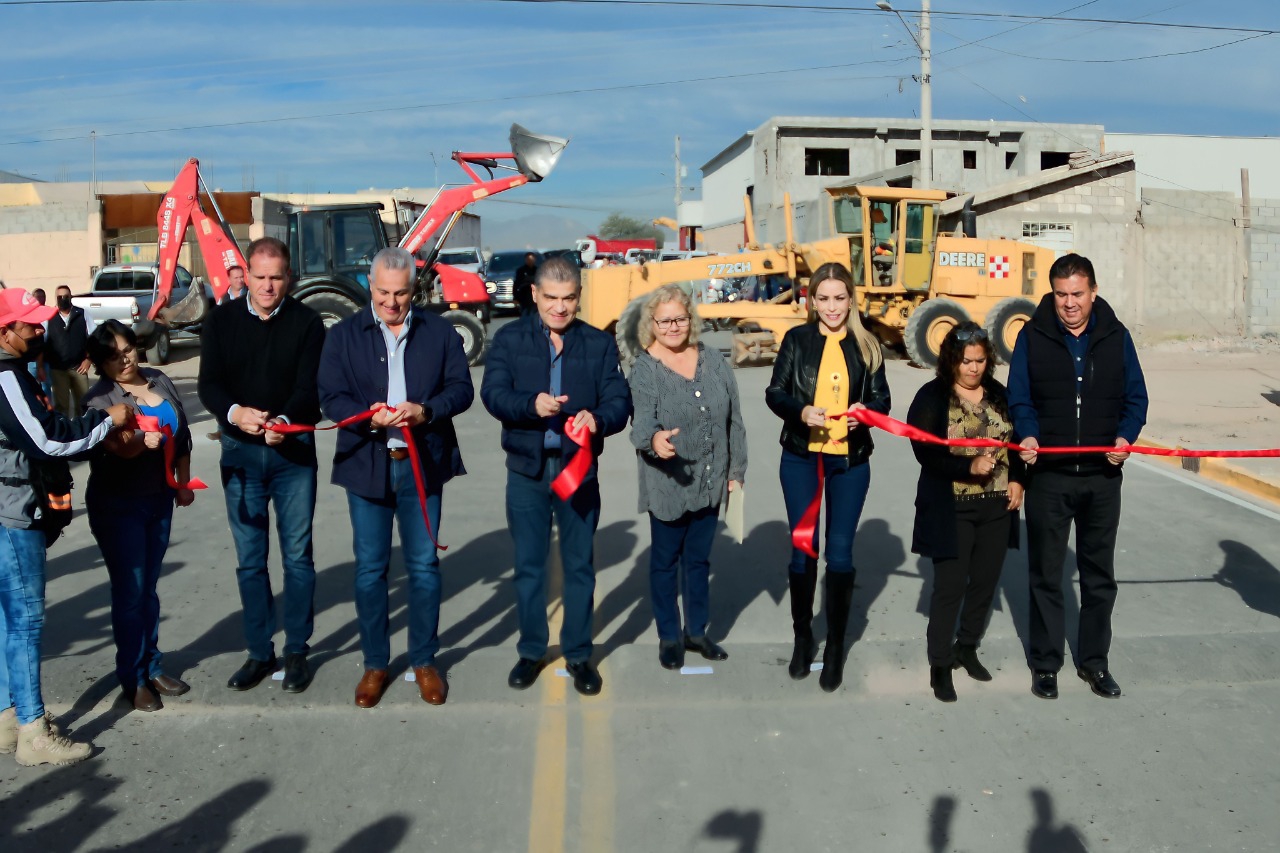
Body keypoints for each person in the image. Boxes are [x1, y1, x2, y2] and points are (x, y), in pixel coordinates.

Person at [318, 248, 474, 709]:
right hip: (367, 464)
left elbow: (461, 389)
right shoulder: (344, 335)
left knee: (424, 567)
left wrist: (425, 411)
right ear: (370, 285)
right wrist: (368, 418)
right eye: (383, 292)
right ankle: (375, 664)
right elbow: (330, 396)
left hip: (422, 464)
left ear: (414, 288)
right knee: (370, 570)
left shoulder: (440, 332)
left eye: (401, 292)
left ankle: (425, 660)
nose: (391, 302)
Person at [480, 256, 632, 696]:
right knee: (529, 567)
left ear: (579, 297)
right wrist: (532, 405)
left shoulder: (598, 344)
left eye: (568, 299)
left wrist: (597, 419)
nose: (560, 308)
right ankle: (531, 651)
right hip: (526, 472)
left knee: (580, 567)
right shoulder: (508, 339)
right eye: (551, 298)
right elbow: (493, 394)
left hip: (578, 473)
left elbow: (619, 400)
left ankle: (580, 656)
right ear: (535, 295)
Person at [1007, 253, 1148, 701]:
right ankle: (1046, 664)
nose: (1069, 304)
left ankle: (1094, 663)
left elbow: (1136, 398)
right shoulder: (1033, 336)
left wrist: (1125, 438)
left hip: (1103, 478)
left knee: (1098, 575)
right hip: (1049, 476)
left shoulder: (1116, 336)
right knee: (1046, 574)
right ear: (1052, 293)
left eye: (1078, 294)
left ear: (1094, 291)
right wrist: (1028, 435)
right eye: (1061, 294)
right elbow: (1020, 397)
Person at [0, 289, 130, 766]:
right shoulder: (6, 377)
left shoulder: (16, 370)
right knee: (26, 623)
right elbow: (47, 440)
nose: (39, 329)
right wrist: (105, 420)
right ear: (4, 332)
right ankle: (33, 729)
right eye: (29, 324)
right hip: (11, 512)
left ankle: (9, 718)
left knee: (7, 623)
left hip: (9, 509)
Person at [198, 237, 326, 694]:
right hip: (240, 455)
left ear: (288, 278)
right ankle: (258, 651)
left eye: (276, 277)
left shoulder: (309, 323)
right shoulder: (220, 322)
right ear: (244, 276)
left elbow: (312, 389)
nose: (268, 286)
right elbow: (209, 385)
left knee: (297, 557)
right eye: (260, 276)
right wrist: (234, 413)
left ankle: (296, 650)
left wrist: (287, 421)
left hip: (292, 456)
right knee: (251, 560)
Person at [765, 262, 890, 693]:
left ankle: (835, 646)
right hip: (801, 459)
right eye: (824, 298)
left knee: (839, 555)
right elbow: (774, 392)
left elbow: (882, 400)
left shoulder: (868, 344)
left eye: (840, 298)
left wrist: (866, 416)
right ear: (812, 301)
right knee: (804, 550)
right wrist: (800, 411)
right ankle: (804, 638)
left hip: (849, 464)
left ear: (850, 300)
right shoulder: (796, 340)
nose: (832, 307)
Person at [628, 285, 746, 670]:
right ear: (653, 324)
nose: (674, 326)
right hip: (669, 484)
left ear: (690, 319)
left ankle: (696, 632)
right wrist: (654, 440)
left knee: (698, 561)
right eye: (665, 320)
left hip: (711, 481)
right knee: (665, 562)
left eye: (680, 318)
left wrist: (736, 472)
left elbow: (734, 421)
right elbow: (641, 421)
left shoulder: (713, 360)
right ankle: (668, 635)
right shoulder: (645, 369)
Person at [906, 322, 1025, 703]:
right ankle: (939, 665)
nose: (973, 368)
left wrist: (1020, 480)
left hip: (996, 505)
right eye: (965, 361)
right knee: (950, 587)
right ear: (951, 361)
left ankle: (967, 646)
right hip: (952, 507)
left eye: (979, 360)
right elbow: (924, 451)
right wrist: (967, 467)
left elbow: (1018, 441)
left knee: (985, 583)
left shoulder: (999, 394)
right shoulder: (932, 397)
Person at [82, 320, 196, 712]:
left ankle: (152, 664)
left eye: (127, 349)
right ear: (100, 362)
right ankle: (132, 678)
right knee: (129, 594)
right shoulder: (100, 401)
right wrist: (141, 446)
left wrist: (182, 482)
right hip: (118, 505)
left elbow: (182, 436)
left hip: (158, 499)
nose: (124, 359)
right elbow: (118, 449)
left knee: (147, 589)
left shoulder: (160, 380)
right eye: (113, 356)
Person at [44, 285, 92, 419]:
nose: (63, 299)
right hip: (58, 369)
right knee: (61, 406)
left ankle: (84, 431)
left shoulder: (82, 314)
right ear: (56, 298)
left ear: (71, 297)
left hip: (79, 368)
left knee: (83, 403)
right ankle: (65, 432)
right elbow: (43, 341)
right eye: (59, 297)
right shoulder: (49, 317)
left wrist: (89, 359)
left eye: (66, 296)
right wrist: (41, 366)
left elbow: (94, 338)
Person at [27, 289, 53, 403]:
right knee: (30, 389)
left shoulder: (50, 314)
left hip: (46, 358)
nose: (40, 299)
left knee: (45, 388)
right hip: (31, 360)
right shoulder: (28, 316)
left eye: (43, 296)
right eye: (37, 297)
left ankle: (49, 410)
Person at [513, 252, 538, 316]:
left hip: (536, 296)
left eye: (532, 259)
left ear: (534, 260)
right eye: (528, 259)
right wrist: (515, 298)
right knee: (525, 313)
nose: (530, 261)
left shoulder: (538, 270)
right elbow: (516, 284)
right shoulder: (521, 271)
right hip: (524, 297)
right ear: (526, 260)